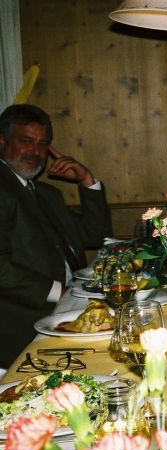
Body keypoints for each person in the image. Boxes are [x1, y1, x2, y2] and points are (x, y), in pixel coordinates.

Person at [0, 104, 112, 368]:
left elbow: (94, 235)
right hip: (19, 330)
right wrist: (60, 292)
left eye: (42, 144)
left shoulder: (45, 194)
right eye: (25, 141)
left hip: (65, 310)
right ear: (2, 142)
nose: (35, 151)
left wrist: (86, 180)